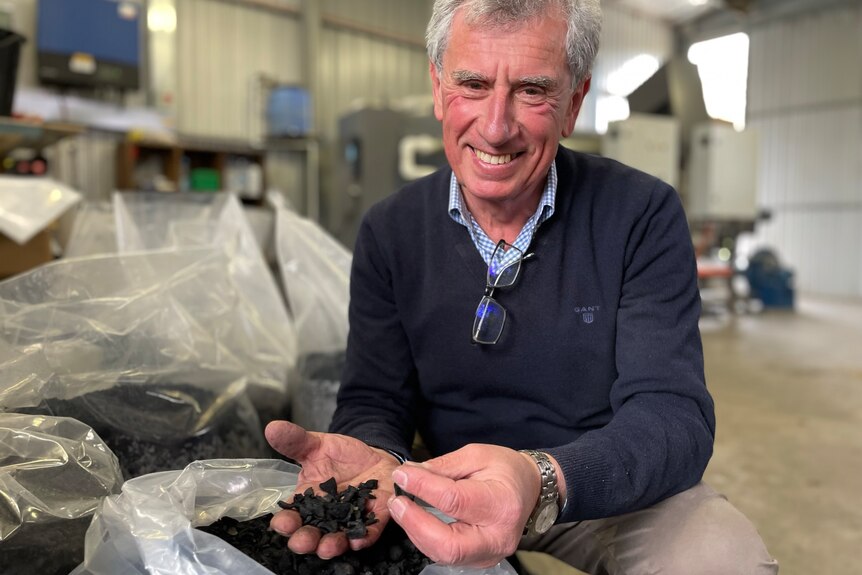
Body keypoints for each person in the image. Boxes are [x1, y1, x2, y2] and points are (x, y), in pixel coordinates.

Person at [265, 0, 779, 573]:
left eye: (532, 90)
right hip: (441, 488)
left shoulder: (641, 214)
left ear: (573, 104)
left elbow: (673, 415)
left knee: (721, 557)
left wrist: (543, 478)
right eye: (473, 84)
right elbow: (374, 398)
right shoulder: (391, 231)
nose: (495, 126)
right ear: (438, 87)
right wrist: (379, 456)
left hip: (593, 489)